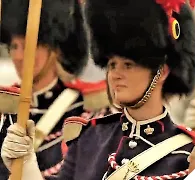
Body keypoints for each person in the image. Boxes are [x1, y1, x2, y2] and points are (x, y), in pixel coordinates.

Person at [1, 0, 195, 179]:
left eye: (128, 65)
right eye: (112, 64)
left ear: (161, 72)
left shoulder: (189, 155)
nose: (115, 74)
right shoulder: (88, 138)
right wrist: (27, 164)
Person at [0, 0, 111, 179]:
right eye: (14, 46)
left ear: (56, 48)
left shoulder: (88, 110)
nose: (19, 56)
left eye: (30, 44)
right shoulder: (4, 108)